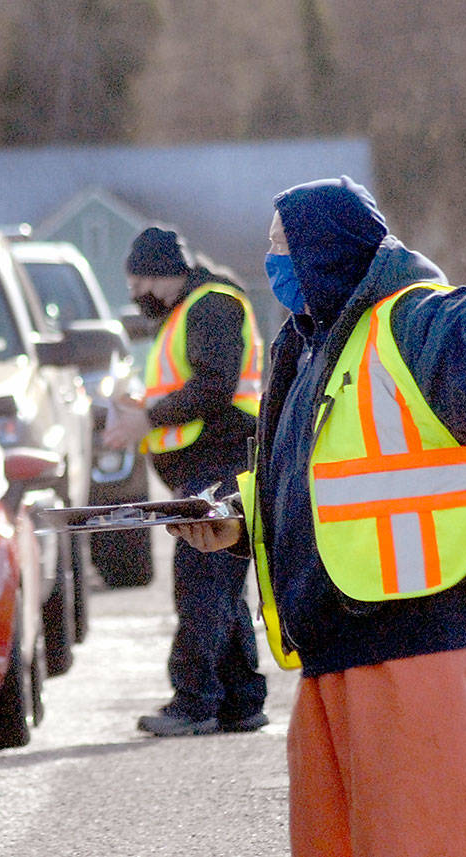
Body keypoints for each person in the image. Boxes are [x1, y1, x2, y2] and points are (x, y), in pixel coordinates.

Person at [167, 176, 466, 857]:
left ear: (329, 249)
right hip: (334, 644)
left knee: (430, 843)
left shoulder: (413, 318)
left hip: (419, 644)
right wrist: (235, 521)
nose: (272, 261)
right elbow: (319, 478)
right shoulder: (313, 344)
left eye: (284, 246)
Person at [103, 225, 269, 737]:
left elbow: (215, 385)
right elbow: (189, 384)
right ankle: (239, 701)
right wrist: (143, 408)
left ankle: (194, 701)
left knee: (201, 583)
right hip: (206, 464)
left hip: (218, 462)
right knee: (219, 585)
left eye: (140, 284)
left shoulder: (211, 305)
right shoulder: (186, 311)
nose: (135, 296)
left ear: (165, 275)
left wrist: (146, 420)